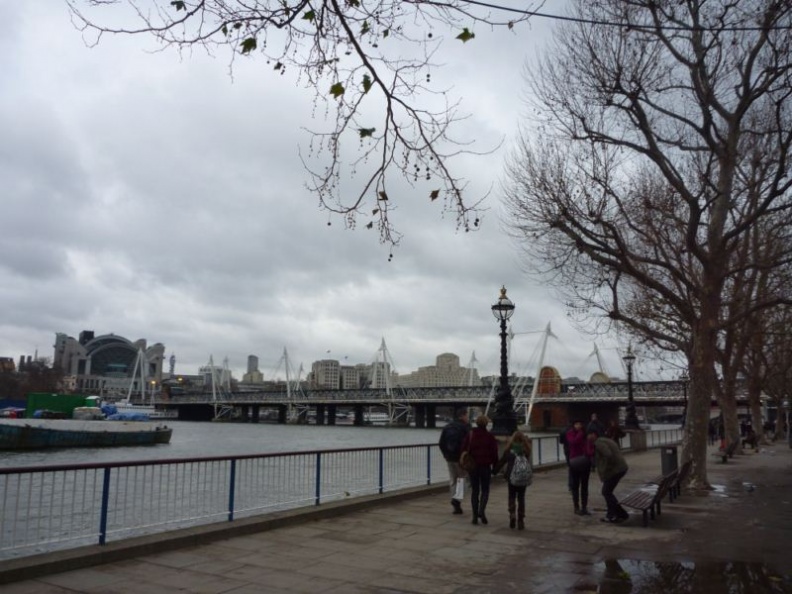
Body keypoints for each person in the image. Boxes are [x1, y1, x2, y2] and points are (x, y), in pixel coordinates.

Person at [459, 414, 499, 525]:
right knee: (485, 490)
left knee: (475, 491)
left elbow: (463, 448)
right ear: (486, 424)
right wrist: (495, 467)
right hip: (485, 466)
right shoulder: (490, 437)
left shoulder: (471, 435)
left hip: (473, 467)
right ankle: (482, 510)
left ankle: (475, 517)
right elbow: (494, 453)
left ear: (476, 423)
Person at [588, 428, 629, 523]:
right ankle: (616, 514)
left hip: (615, 470)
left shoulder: (598, 443)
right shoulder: (606, 440)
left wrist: (605, 469)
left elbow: (608, 454)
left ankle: (617, 514)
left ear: (593, 435)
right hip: (621, 468)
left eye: (588, 435)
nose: (587, 438)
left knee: (606, 492)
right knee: (607, 492)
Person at [495, 430, 533, 530]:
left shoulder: (509, 450)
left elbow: (502, 461)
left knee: (511, 496)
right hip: (522, 477)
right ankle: (521, 520)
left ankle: (512, 514)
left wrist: (494, 471)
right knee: (521, 498)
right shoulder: (526, 450)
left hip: (511, 477)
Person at [438, 408, 470, 515]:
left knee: (453, 480)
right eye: (467, 415)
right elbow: (468, 444)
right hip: (460, 458)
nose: (468, 417)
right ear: (463, 416)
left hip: (449, 458)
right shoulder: (465, 428)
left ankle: (455, 501)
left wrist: (445, 455)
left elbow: (441, 443)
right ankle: (457, 500)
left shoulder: (447, 427)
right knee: (463, 479)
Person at [566, 420, 593, 515]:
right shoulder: (570, 433)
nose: (578, 426)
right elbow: (573, 442)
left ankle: (584, 507)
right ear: (573, 425)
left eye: (580, 424)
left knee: (585, 486)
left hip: (585, 462)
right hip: (575, 461)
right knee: (575, 486)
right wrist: (580, 434)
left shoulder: (585, 435)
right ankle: (576, 507)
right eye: (576, 424)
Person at [559, 421, 574, 492]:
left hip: (566, 450)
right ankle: (573, 483)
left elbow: (561, 442)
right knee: (574, 468)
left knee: (570, 467)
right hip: (574, 450)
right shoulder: (574, 431)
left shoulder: (563, 431)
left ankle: (570, 485)